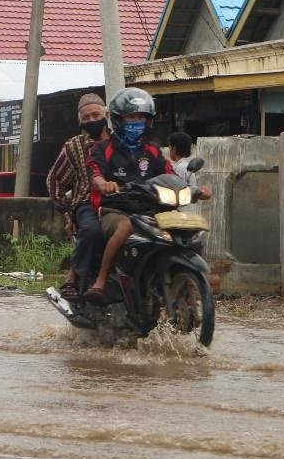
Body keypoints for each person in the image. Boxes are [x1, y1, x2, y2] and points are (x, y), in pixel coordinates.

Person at [84, 88, 210, 303]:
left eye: (141, 117)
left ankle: (184, 283)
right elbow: (94, 172)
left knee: (189, 230)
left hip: (152, 209)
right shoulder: (102, 149)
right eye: (131, 117)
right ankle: (101, 281)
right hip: (116, 209)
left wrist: (196, 191)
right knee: (126, 227)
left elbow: (170, 175)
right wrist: (103, 184)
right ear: (118, 120)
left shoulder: (152, 151)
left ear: (148, 121)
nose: (136, 122)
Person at [46, 93, 108, 298]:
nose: (91, 120)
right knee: (91, 231)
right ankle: (72, 277)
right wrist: (67, 213)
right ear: (79, 121)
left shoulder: (121, 143)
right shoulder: (74, 146)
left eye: (95, 115)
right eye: (86, 117)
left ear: (106, 114)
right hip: (86, 202)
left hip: (121, 202)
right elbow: (54, 180)